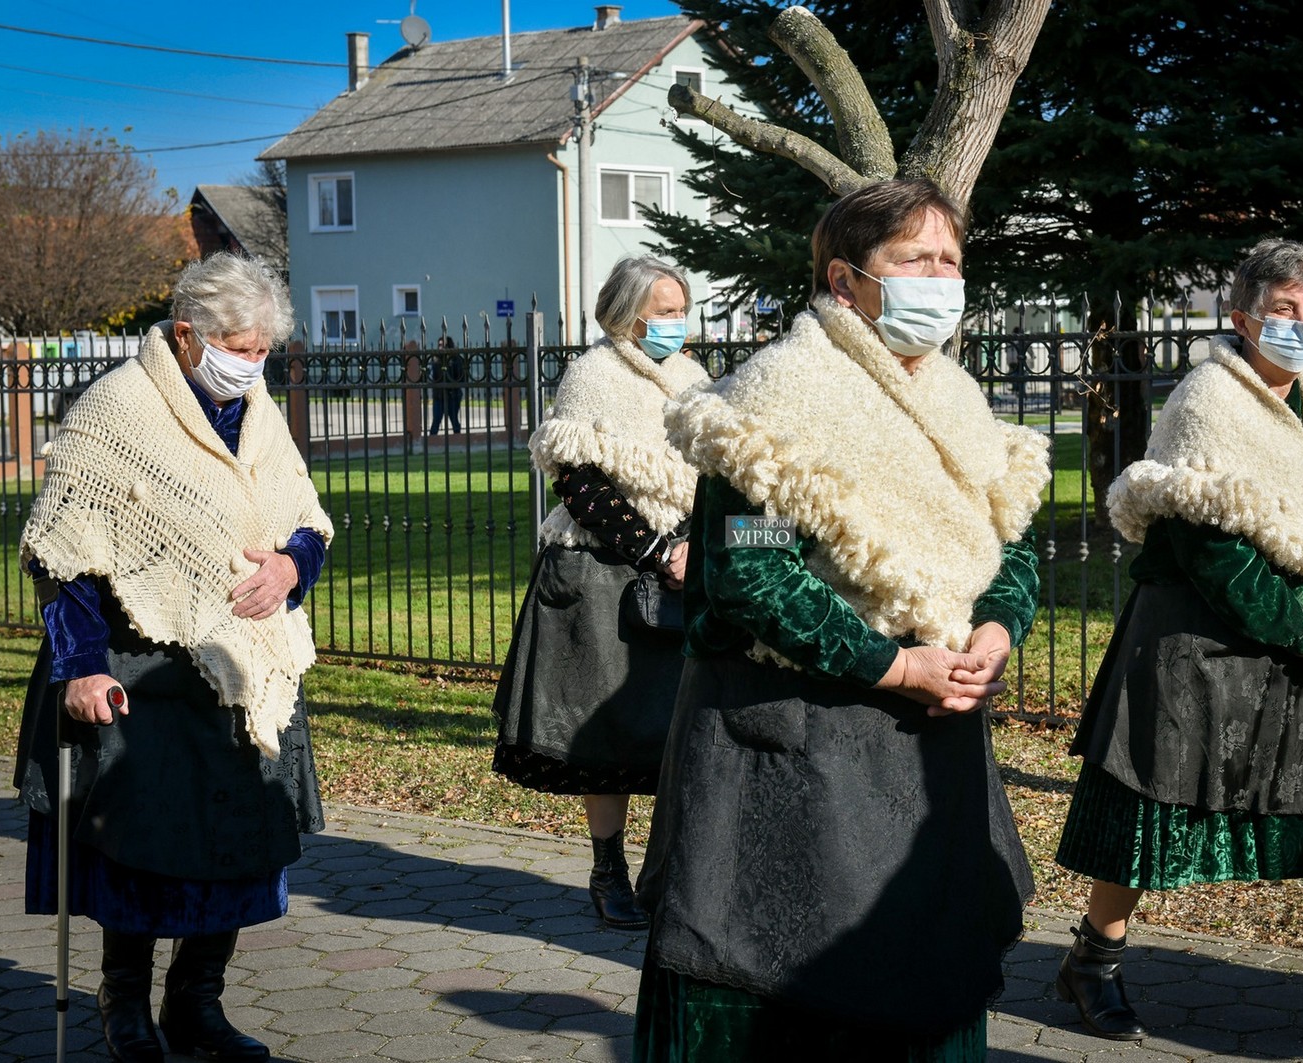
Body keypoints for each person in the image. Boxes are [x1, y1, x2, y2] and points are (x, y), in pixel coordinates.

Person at [633, 179, 1052, 1062]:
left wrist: (994, 632)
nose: (939, 278)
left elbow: (1009, 543)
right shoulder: (775, 402)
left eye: (950, 259)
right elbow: (750, 571)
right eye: (913, 259)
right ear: (844, 279)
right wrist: (897, 666)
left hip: (933, 745)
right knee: (789, 990)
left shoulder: (953, 398)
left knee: (923, 972)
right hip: (794, 743)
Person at [1051, 239, 1303, 1063]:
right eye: (1284, 310)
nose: (1301, 325)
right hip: (1200, 641)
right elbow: (1210, 548)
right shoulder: (1207, 400)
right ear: (1241, 317)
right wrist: (1299, 632)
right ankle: (1092, 962)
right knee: (1153, 810)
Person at [13, 251, 333, 1063]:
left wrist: (292, 566)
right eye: (240, 346)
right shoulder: (116, 407)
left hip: (240, 667)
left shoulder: (259, 410)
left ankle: (198, 1001)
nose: (252, 364)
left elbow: (304, 516)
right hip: (137, 667)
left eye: (264, 350)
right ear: (188, 335)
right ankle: (125, 1001)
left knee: (234, 843)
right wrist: (80, 665)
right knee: (142, 846)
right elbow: (64, 553)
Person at [492, 254, 707, 929]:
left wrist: (694, 546)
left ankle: (670, 872)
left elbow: (714, 474)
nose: (676, 323)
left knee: (683, 731)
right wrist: (655, 549)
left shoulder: (694, 379)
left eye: (681, 310)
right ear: (627, 313)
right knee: (605, 737)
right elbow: (577, 481)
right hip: (602, 573)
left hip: (683, 572)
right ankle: (607, 868)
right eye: (664, 311)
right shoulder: (592, 374)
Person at [427, 335, 465, 436]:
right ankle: (431, 441)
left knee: (454, 420)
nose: (440, 348)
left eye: (442, 345)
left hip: (452, 395)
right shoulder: (435, 360)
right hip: (439, 396)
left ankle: (458, 440)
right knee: (436, 419)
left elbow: (461, 377)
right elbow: (430, 377)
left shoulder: (456, 360)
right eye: (439, 345)